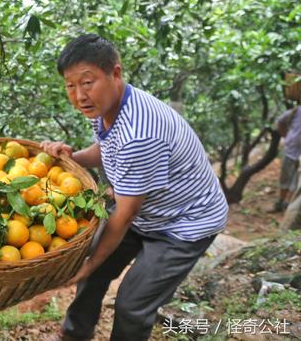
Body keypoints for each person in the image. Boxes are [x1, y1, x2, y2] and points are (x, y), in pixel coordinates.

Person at [41, 34, 229, 341]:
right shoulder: (109, 107)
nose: (79, 96)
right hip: (146, 209)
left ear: (115, 73)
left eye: (87, 83)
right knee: (93, 274)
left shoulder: (139, 135)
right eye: (70, 86)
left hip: (183, 223)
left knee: (132, 303)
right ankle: (74, 335)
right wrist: (71, 157)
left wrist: (90, 263)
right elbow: (105, 148)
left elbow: (124, 214)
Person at [272, 105, 301, 212]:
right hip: (291, 151)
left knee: (297, 181)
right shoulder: (297, 111)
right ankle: (281, 202)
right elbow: (280, 122)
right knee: (285, 178)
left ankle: (290, 206)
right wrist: (286, 136)